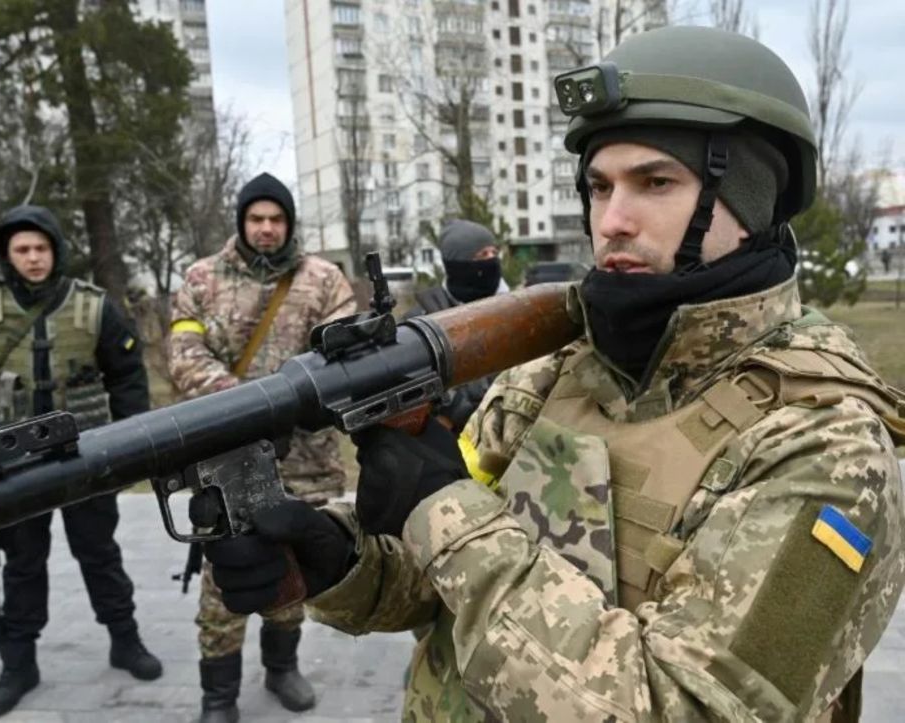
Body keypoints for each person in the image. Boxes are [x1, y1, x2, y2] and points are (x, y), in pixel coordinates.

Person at [200, 27, 905, 722]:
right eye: (599, 187)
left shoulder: (825, 445)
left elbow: (683, 707)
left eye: (656, 182)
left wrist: (442, 509)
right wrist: (343, 564)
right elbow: (444, 585)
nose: (613, 221)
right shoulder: (554, 374)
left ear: (753, 198)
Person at [0, 205, 162, 718]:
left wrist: (131, 447)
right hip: (11, 467)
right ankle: (19, 665)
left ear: (56, 250)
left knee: (100, 553)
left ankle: (125, 640)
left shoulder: (95, 308)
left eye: (41, 248)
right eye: (22, 249)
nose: (33, 258)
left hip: (86, 459)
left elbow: (128, 378)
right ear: (7, 255)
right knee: (20, 565)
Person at [168, 172, 356, 722]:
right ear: (242, 222)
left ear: (289, 224)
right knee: (222, 583)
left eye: (276, 219)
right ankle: (218, 696)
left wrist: (291, 408)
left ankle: (281, 668)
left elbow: (344, 360)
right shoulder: (202, 279)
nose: (267, 228)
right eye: (257, 218)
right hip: (226, 460)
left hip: (306, 460)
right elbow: (184, 355)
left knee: (290, 572)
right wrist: (249, 407)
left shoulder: (324, 280)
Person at [404, 219, 508, 434]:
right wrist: (455, 408)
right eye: (482, 255)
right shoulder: (424, 322)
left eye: (494, 252)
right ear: (458, 265)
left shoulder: (516, 307)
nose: (491, 260)